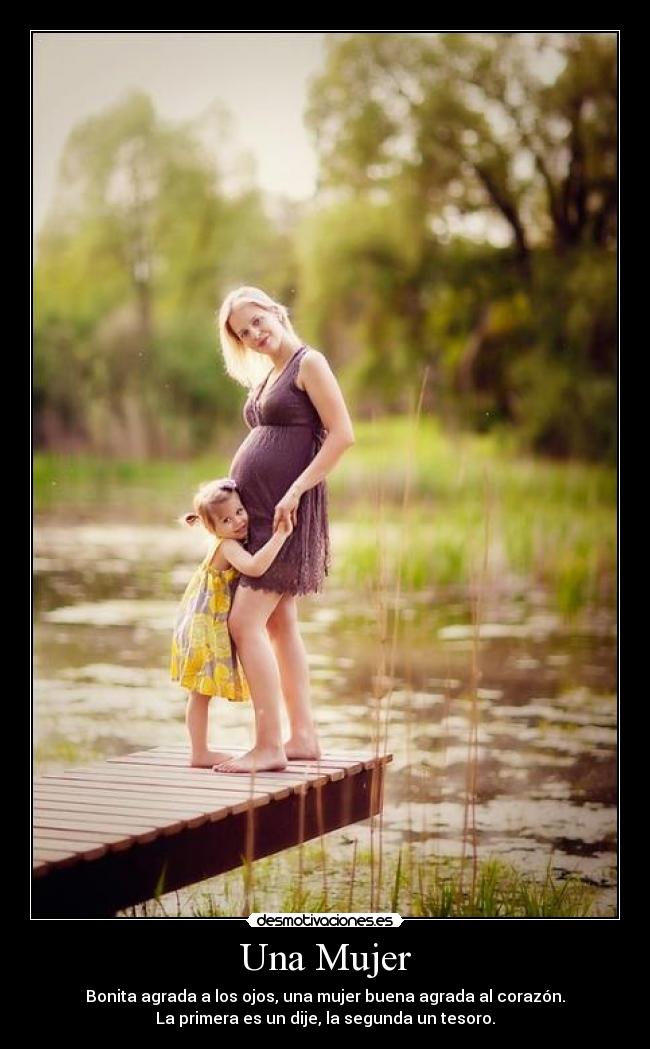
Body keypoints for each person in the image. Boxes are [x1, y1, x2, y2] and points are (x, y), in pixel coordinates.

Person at [214, 286, 355, 773]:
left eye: (257, 320)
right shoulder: (270, 372)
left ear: (275, 310)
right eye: (243, 332)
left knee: (244, 623)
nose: (255, 333)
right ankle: (304, 737)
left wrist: (294, 490)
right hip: (257, 515)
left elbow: (343, 435)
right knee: (279, 624)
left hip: (284, 516)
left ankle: (269, 745)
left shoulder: (308, 363)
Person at [170, 477, 293, 768]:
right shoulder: (226, 546)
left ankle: (199, 750)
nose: (237, 521)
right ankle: (198, 752)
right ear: (213, 528)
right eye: (226, 520)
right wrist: (281, 536)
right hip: (204, 626)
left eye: (239, 511)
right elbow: (254, 566)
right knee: (200, 691)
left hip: (200, 621)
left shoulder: (227, 541)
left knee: (200, 692)